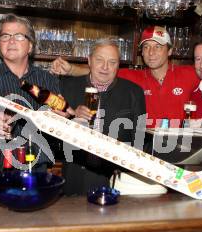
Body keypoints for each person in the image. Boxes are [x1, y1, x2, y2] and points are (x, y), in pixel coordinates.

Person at [51, 26, 202, 128]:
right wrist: (70, 70)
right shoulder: (133, 78)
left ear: (169, 51)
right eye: (147, 47)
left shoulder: (189, 73)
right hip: (149, 151)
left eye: (158, 47)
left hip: (179, 150)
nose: (151, 52)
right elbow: (102, 70)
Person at [0, 14, 67, 172]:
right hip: (0, 168)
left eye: (19, 36)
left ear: (30, 46)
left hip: (39, 168)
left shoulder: (48, 80)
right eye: (5, 36)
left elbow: (61, 128)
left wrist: (62, 120)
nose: (11, 41)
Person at [60, 38, 146, 195]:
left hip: (115, 180)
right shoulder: (67, 87)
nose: (105, 67)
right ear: (89, 60)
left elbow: (139, 142)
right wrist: (71, 117)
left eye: (112, 62)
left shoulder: (134, 92)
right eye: (99, 60)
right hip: (74, 177)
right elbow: (53, 134)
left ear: (118, 65)